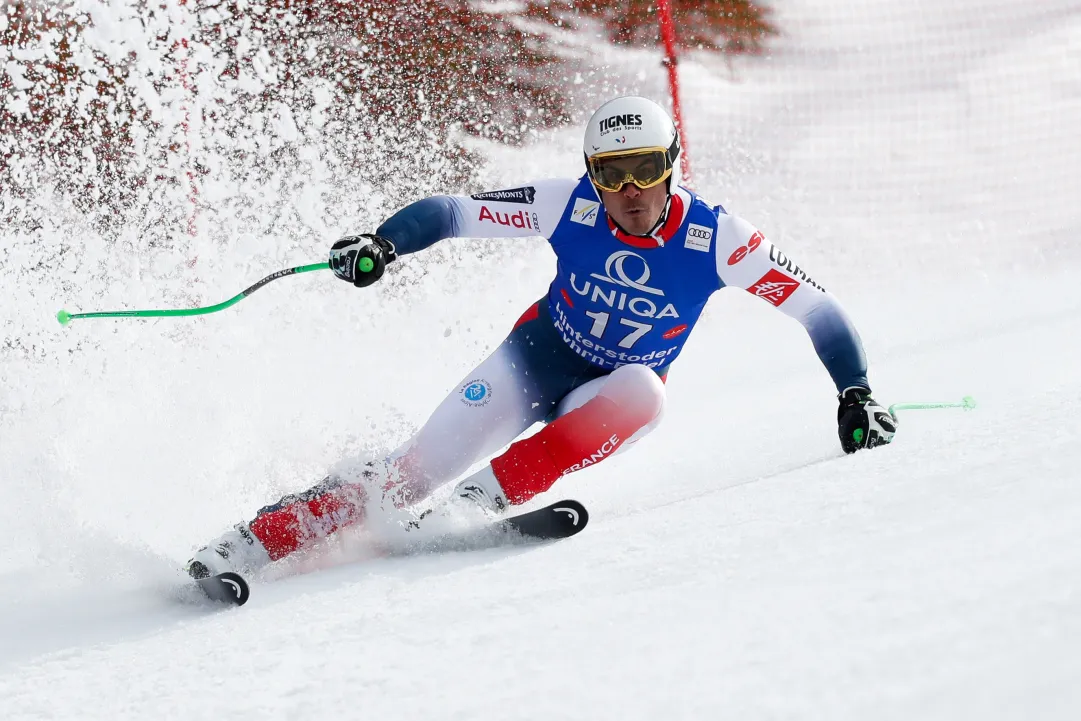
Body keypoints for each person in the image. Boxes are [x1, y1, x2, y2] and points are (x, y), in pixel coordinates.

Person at [186, 96, 897, 579]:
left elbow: (817, 308)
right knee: (406, 476)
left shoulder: (720, 239)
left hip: (605, 391)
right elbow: (451, 211)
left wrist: (854, 394)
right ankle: (254, 540)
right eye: (611, 173)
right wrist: (383, 243)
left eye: (646, 168)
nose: (630, 190)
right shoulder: (570, 204)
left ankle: (477, 503)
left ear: (672, 164)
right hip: (532, 361)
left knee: (645, 395)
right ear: (591, 174)